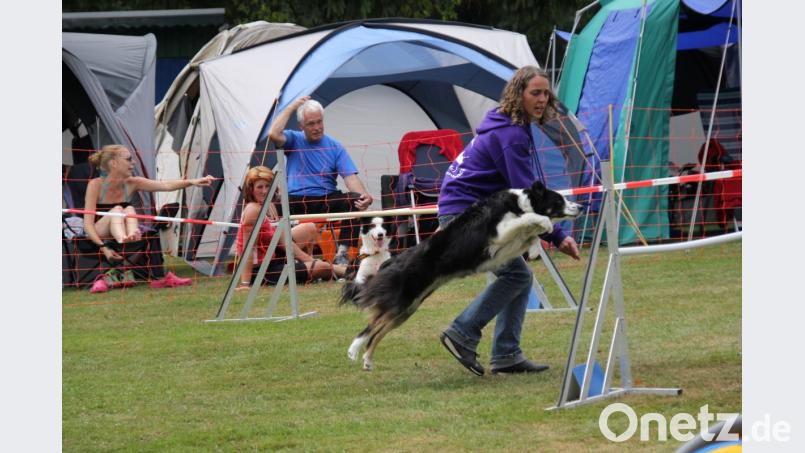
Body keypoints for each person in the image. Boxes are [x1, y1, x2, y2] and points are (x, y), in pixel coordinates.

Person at [436, 66, 581, 376]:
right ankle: (462, 333)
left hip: (466, 211)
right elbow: (528, 198)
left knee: (519, 277)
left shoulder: (510, 125)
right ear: (518, 95)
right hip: (464, 216)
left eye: (546, 94)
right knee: (516, 277)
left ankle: (506, 354)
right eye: (535, 93)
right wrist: (558, 236)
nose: (542, 100)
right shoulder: (512, 134)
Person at [83, 144, 214, 290]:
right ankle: (123, 240)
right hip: (99, 231)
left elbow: (165, 185)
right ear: (114, 163)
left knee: (130, 208)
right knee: (119, 209)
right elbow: (88, 225)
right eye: (129, 159)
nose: (133, 163)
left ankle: (133, 238)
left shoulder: (133, 182)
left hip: (124, 227)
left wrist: (192, 182)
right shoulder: (95, 185)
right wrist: (104, 248)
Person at [267, 96, 373, 265]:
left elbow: (350, 177)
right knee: (269, 209)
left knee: (355, 200)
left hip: (325, 198)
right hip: (295, 199)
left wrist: (364, 196)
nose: (317, 127)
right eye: (311, 124)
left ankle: (342, 254)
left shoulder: (335, 146)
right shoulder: (293, 139)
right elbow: (273, 133)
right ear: (301, 126)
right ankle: (281, 258)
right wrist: (291, 106)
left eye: (319, 122)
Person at [235, 166, 348, 290]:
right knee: (323, 268)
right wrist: (244, 284)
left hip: (273, 255)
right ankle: (349, 272)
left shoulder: (270, 205)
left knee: (309, 227)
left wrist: (309, 261)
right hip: (260, 271)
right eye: (260, 187)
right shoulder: (253, 210)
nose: (265, 191)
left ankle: (321, 269)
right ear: (251, 189)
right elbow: (247, 250)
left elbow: (283, 239)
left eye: (268, 186)